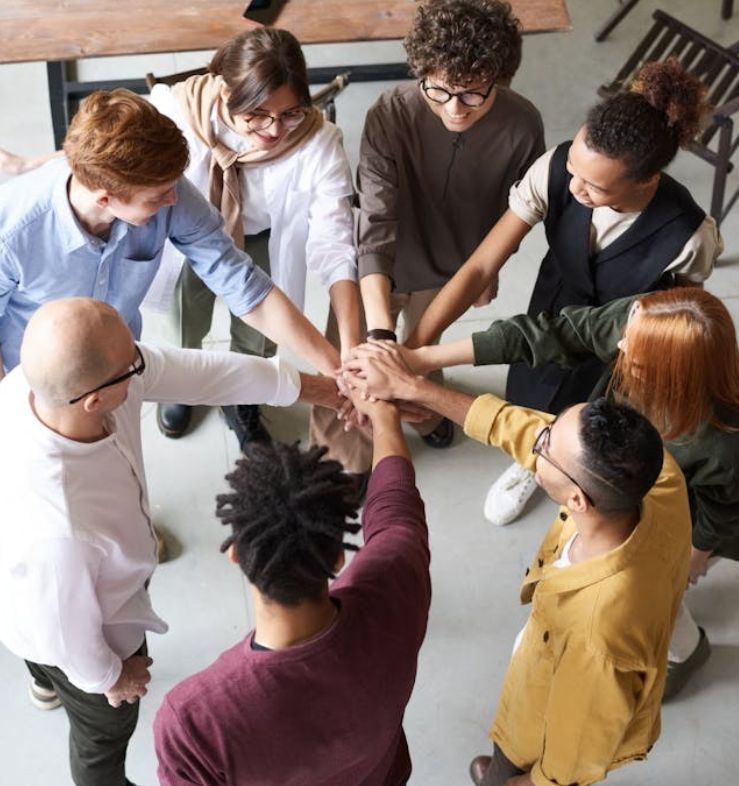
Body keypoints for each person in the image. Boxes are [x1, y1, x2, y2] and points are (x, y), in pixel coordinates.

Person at [0, 296, 344, 786]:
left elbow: (199, 373)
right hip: (69, 629)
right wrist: (111, 679)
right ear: (94, 400)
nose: (143, 364)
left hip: (42, 587)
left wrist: (317, 389)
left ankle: (44, 682)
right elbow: (61, 627)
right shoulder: (61, 529)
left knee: (51, 658)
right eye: (132, 364)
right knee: (101, 733)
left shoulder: (40, 388)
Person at [342, 343, 691, 786]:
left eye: (545, 445)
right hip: (554, 648)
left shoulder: (597, 638)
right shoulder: (656, 476)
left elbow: (578, 753)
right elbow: (522, 429)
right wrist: (415, 389)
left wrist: (530, 781)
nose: (536, 439)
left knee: (509, 768)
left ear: (577, 500)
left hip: (538, 736)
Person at [406, 58, 722, 525]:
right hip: (552, 307)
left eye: (594, 186)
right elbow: (478, 267)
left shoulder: (691, 236)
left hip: (620, 348)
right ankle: (531, 462)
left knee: (594, 426)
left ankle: (571, 476)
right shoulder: (555, 170)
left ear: (647, 180)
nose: (574, 188)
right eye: (573, 168)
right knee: (531, 390)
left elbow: (676, 318)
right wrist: (415, 347)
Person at [398, 287, 739, 697]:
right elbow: (551, 334)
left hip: (682, 522)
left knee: (657, 597)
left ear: (672, 375)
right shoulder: (639, 322)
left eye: (636, 351)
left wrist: (693, 557)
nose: (621, 342)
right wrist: (418, 362)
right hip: (619, 494)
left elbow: (722, 513)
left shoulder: (721, 441)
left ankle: (685, 652)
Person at [153, 380, 430, 784]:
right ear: (338, 556)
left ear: (236, 555)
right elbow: (397, 510)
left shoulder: (193, 722)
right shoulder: (398, 582)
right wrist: (385, 419)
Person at [0, 88, 340, 392]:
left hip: (121, 366)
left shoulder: (165, 187)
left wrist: (336, 369)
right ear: (105, 199)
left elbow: (241, 282)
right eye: (158, 197)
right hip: (29, 380)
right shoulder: (12, 231)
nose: (173, 201)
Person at [148, 28, 366, 471]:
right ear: (226, 91)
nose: (273, 130)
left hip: (261, 237)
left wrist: (347, 350)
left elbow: (334, 240)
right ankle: (181, 386)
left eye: (289, 114)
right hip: (191, 236)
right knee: (185, 316)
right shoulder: (177, 109)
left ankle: (244, 398)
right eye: (257, 115)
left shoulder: (318, 141)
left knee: (260, 335)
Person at [356, 0, 545, 449]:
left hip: (451, 270)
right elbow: (375, 221)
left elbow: (513, 216)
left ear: (500, 78)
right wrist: (382, 337)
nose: (455, 108)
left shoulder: (522, 127)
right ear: (420, 70)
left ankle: (424, 417)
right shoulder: (388, 113)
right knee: (356, 358)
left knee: (424, 352)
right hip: (377, 263)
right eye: (438, 90)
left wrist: (491, 268)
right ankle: (348, 455)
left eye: (473, 93)